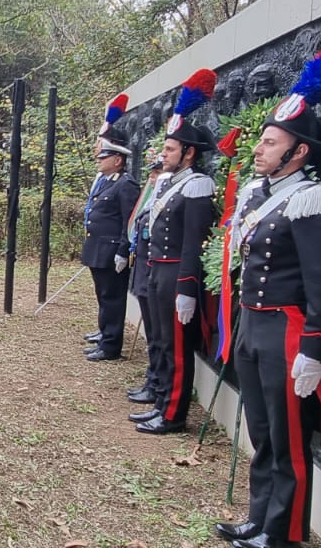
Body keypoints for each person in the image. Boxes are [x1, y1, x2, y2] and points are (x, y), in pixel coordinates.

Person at [214, 36, 321, 548]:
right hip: (253, 324)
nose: (258, 149)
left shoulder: (310, 199)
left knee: (289, 440)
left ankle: (283, 531)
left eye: (271, 143)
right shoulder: (263, 196)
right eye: (261, 141)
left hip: (288, 331)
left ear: (299, 152)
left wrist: (317, 349)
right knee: (263, 431)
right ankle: (261, 516)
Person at [130, 69, 217, 435]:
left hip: (176, 273)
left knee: (179, 349)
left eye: (169, 149)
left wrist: (185, 286)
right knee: (163, 342)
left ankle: (173, 413)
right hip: (158, 270)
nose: (162, 154)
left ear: (188, 153)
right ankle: (162, 399)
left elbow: (193, 242)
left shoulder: (197, 186)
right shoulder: (171, 184)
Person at [80, 128, 139, 362]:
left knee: (112, 298)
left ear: (118, 160)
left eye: (103, 157)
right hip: (99, 249)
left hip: (112, 251)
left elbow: (129, 221)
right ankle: (105, 334)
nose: (99, 160)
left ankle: (111, 346)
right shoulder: (108, 182)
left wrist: (123, 251)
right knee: (103, 295)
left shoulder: (126, 184)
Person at [123, 147, 168, 404]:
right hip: (144, 273)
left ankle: (157, 385)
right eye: (152, 173)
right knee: (154, 337)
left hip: (155, 275)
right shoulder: (152, 200)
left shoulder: (164, 202)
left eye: (158, 172)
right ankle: (153, 380)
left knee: (160, 338)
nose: (153, 178)